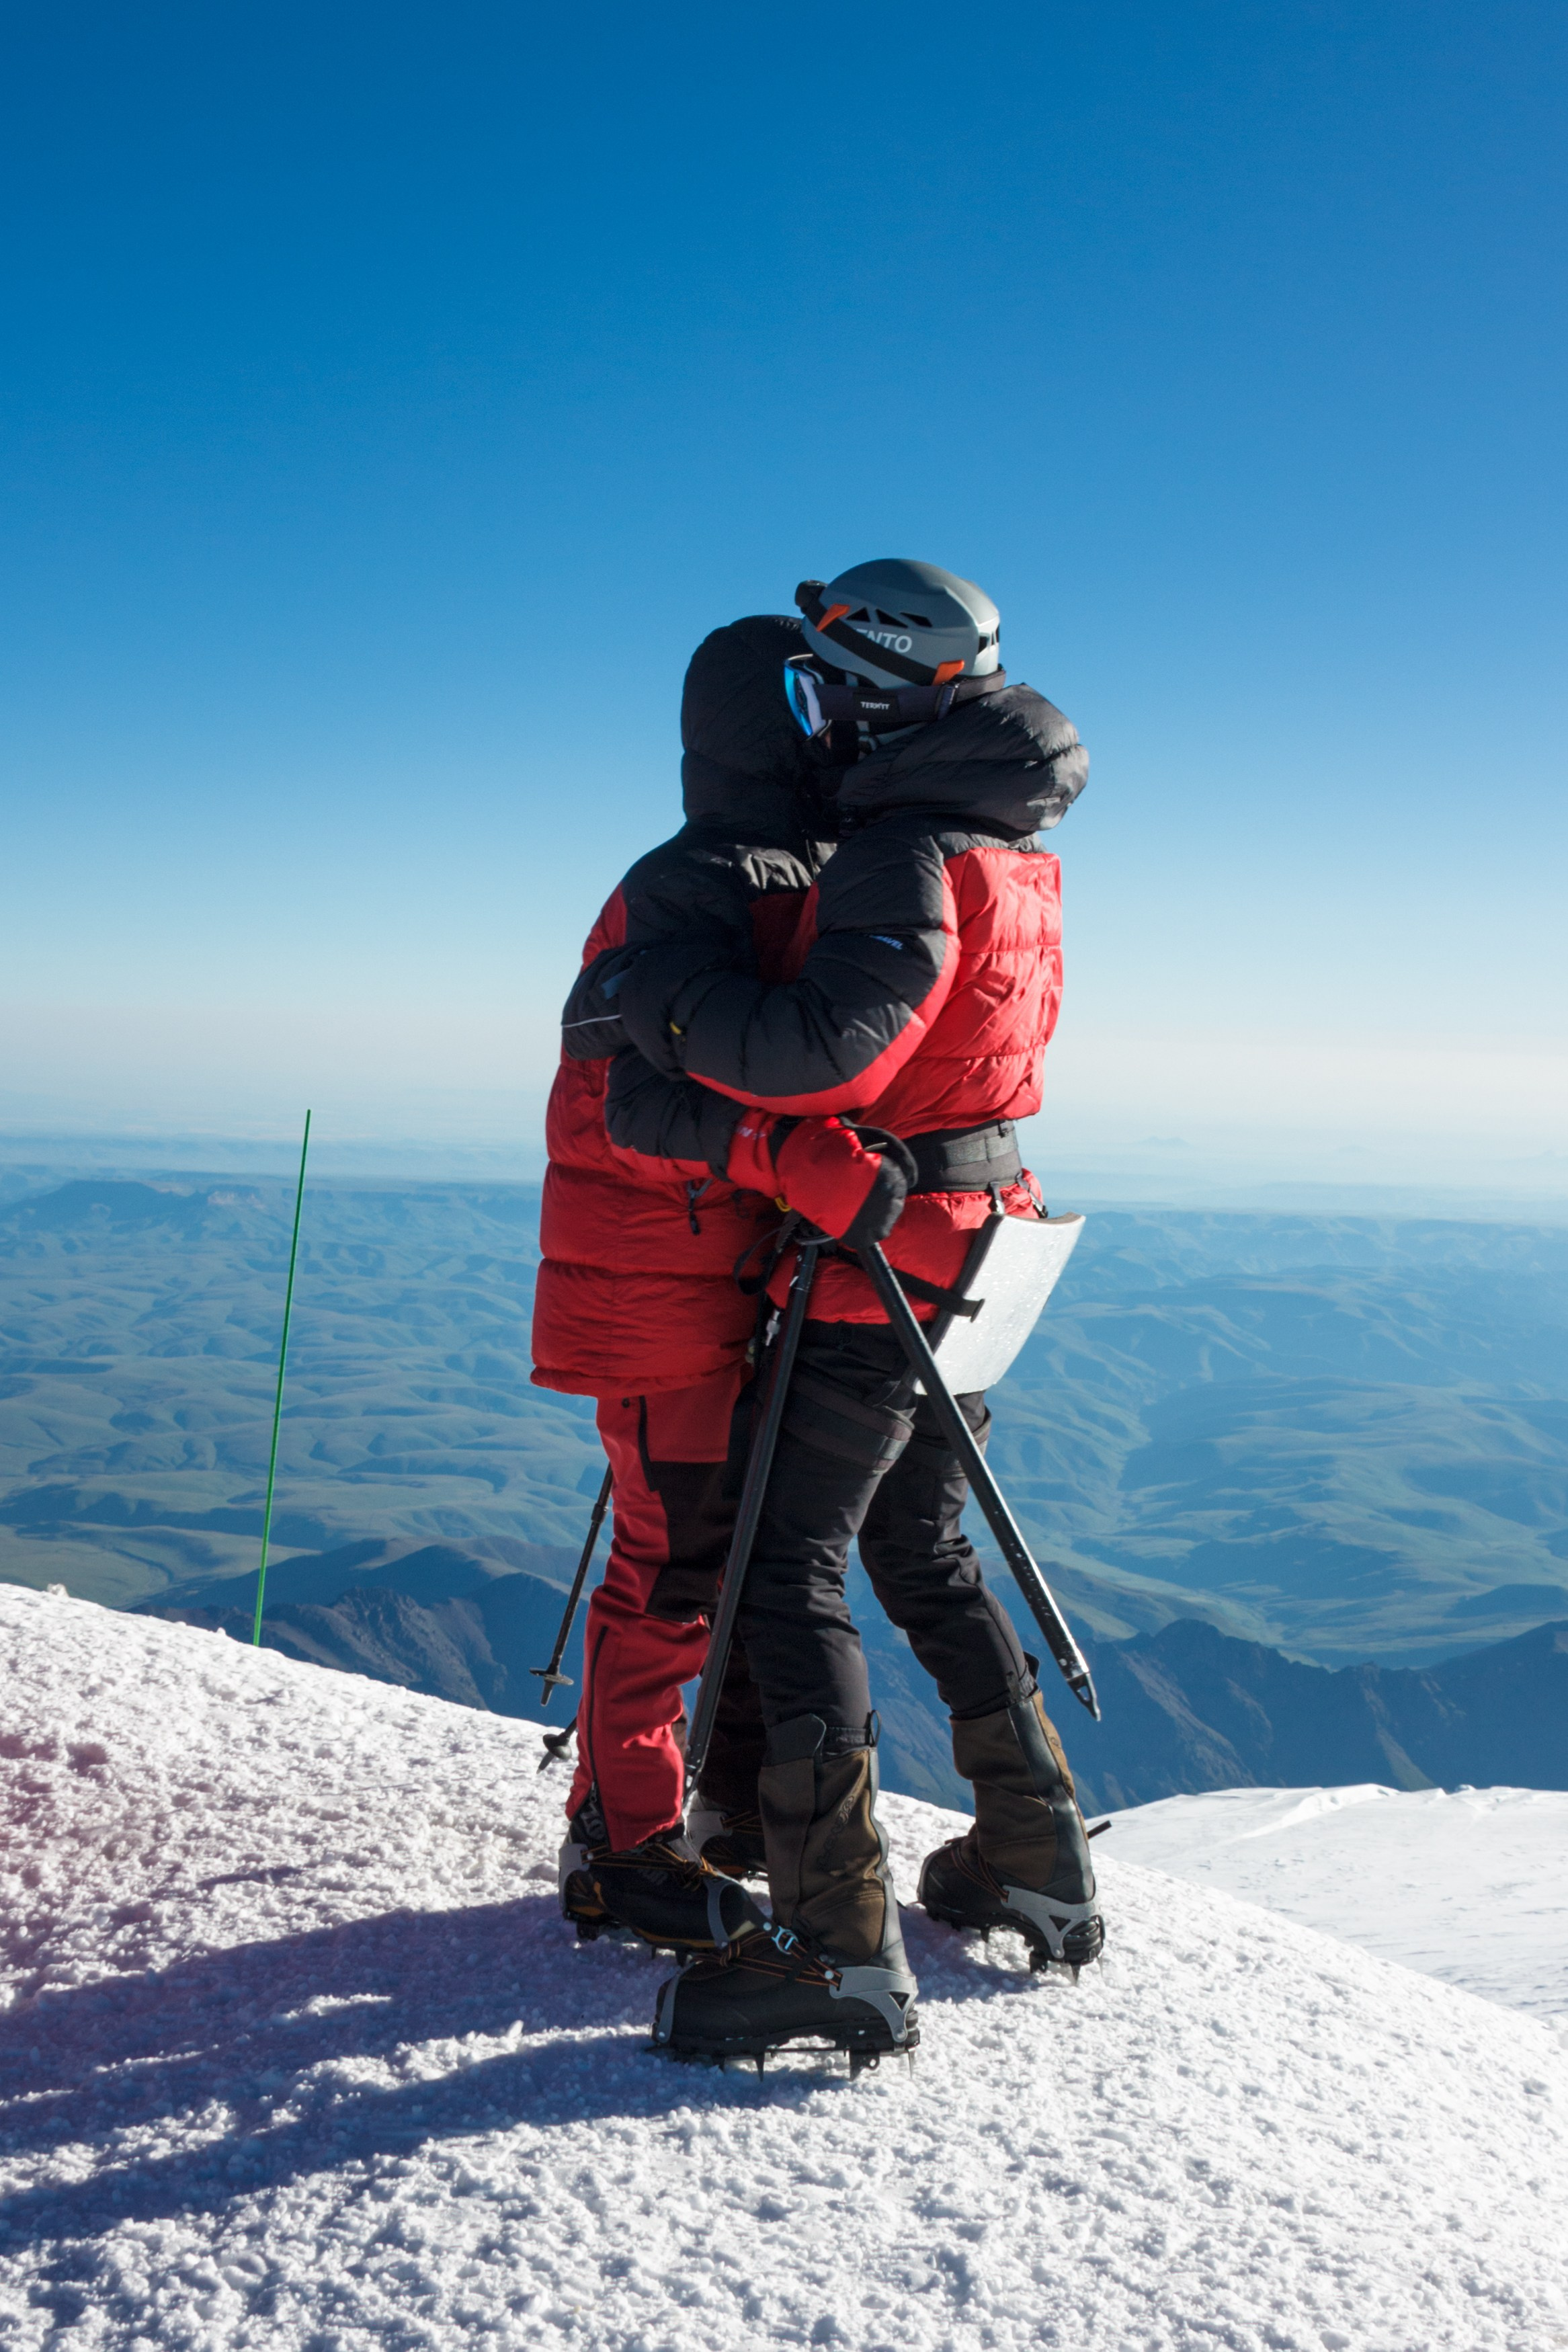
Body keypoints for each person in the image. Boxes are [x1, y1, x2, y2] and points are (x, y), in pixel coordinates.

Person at [573, 558, 1104, 2063]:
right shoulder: (1017, 848)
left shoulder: (904, 846)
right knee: (923, 1543)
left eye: (828, 690)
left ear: (874, 696)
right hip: (988, 1237)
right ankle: (1035, 1861)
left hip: (889, 1252)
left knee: (788, 1564)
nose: (814, 721)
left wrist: (660, 1015)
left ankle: (834, 1947)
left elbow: (829, 1058)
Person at [530, 612, 835, 1956]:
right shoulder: (697, 886)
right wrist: (769, 1156)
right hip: (661, 1290)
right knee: (668, 1568)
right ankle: (624, 1848)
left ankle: (661, 1817)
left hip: (693, 1275)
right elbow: (615, 1108)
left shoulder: (703, 875)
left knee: (697, 1559)